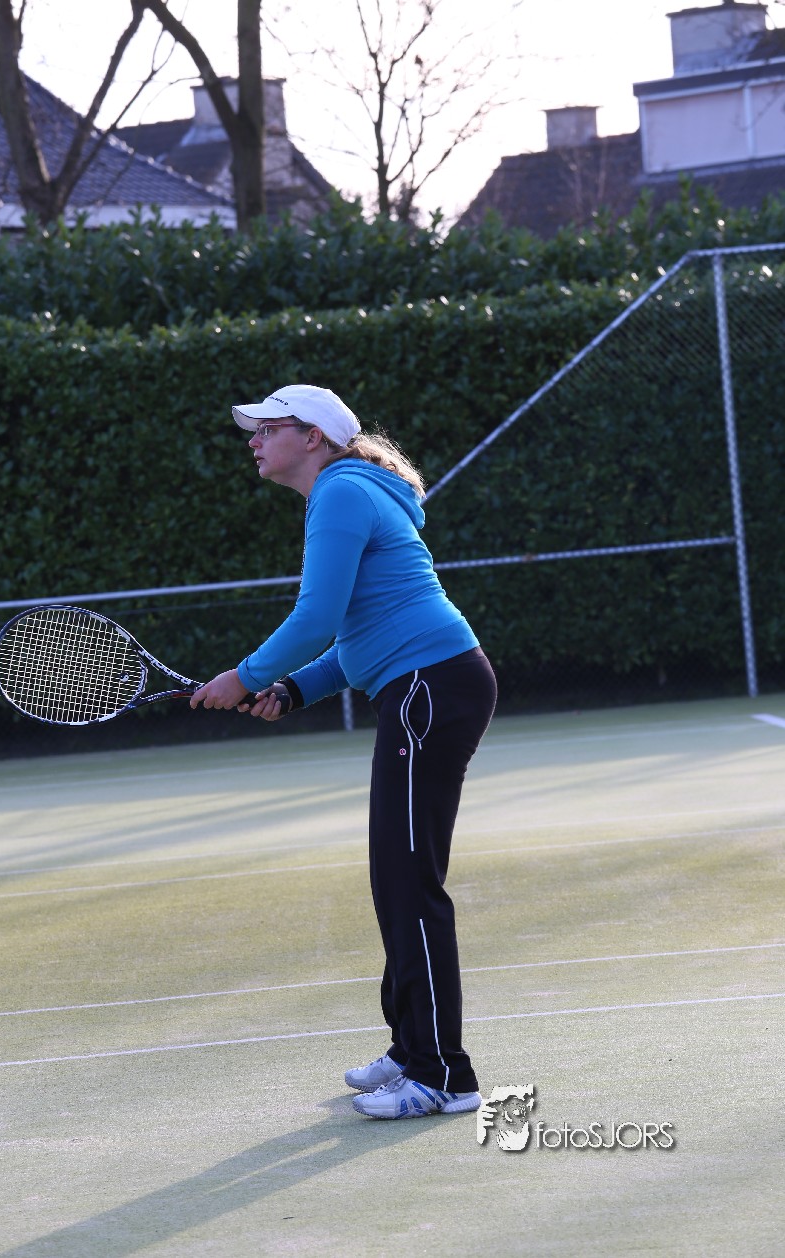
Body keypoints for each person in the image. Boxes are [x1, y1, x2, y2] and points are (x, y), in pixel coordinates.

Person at [190, 383, 497, 1120]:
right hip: (426, 685)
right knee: (395, 878)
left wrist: (244, 677)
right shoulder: (349, 490)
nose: (254, 440)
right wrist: (292, 689)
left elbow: (317, 616)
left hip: (429, 688)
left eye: (269, 427)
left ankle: (443, 1075)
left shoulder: (340, 492)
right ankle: (411, 1048)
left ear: (313, 438)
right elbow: (358, 637)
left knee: (411, 883)